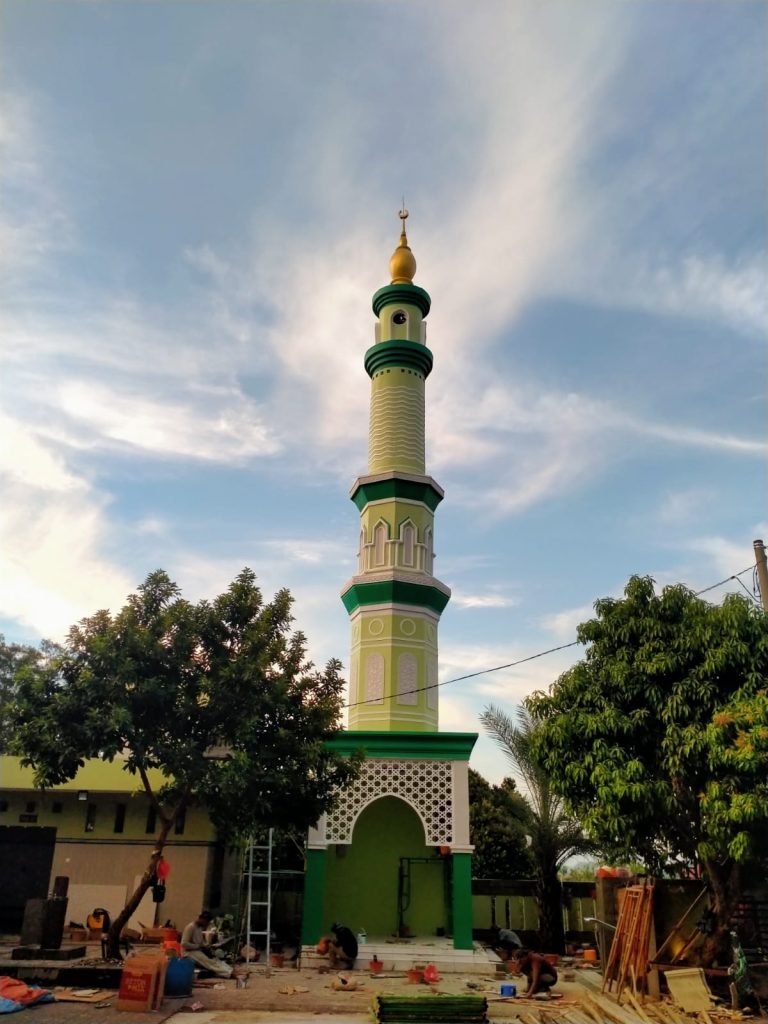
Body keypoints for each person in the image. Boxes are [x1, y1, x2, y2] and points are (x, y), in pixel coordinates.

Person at [181, 911, 233, 979]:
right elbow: (184, 944)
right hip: (188, 953)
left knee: (215, 959)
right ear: (202, 919)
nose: (207, 924)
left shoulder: (199, 928)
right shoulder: (190, 927)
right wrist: (198, 946)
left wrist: (207, 946)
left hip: (197, 950)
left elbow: (200, 942)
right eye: (206, 922)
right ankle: (229, 973)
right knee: (208, 962)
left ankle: (230, 970)